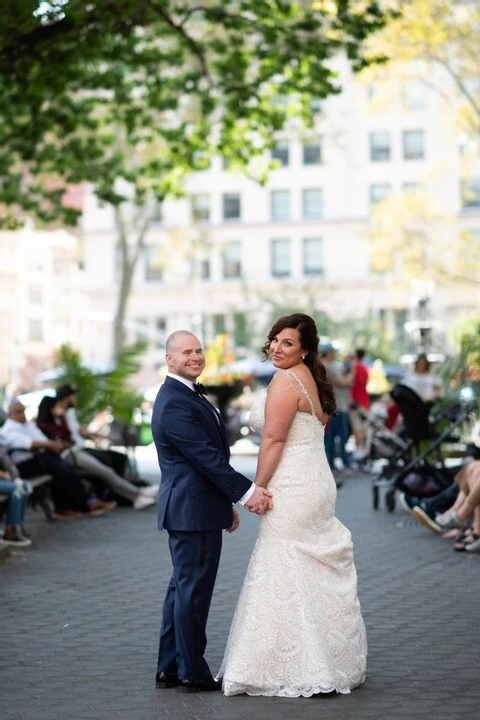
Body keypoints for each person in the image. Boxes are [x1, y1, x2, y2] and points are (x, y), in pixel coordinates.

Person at [218, 313, 367, 697]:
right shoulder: (312, 377)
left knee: (284, 563)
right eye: (275, 341)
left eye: (288, 343)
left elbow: (273, 440)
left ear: (304, 349)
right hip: (315, 481)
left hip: (293, 485)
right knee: (307, 566)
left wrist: (257, 487)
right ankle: (328, 661)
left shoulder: (286, 381)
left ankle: (296, 666)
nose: (278, 349)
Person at [151, 330, 273, 694]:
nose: (195, 356)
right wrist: (246, 492)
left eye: (198, 350)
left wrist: (224, 504)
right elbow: (204, 457)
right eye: (186, 352)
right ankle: (191, 670)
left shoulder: (186, 394)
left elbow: (208, 457)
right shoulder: (174, 401)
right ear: (169, 360)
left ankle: (170, 667)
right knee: (193, 592)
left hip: (199, 507)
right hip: (191, 510)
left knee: (182, 588)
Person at [36, 396, 158, 510]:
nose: (62, 409)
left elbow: (70, 435)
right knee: (105, 471)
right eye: (58, 406)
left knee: (109, 465)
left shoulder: (60, 420)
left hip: (74, 451)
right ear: (50, 408)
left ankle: (136, 494)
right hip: (68, 455)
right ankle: (137, 493)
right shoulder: (44, 426)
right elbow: (58, 444)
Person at [0, 400, 115, 519]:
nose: (22, 414)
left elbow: (42, 439)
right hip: (25, 464)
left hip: (40, 458)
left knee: (66, 468)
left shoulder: (27, 425)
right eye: (18, 412)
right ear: (10, 413)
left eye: (23, 411)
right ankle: (80, 504)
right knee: (59, 469)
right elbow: (29, 443)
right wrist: (50, 445)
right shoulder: (8, 430)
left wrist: (53, 444)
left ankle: (80, 504)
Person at [321, 343, 353, 473]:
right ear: (328, 352)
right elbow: (344, 382)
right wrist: (352, 372)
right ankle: (339, 463)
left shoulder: (332, 365)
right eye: (332, 351)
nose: (334, 353)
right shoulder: (326, 366)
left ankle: (333, 463)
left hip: (337, 405)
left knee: (333, 436)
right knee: (337, 436)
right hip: (335, 406)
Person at [0, 440, 32, 547]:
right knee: (17, 489)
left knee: (25, 486)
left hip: (6, 478)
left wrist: (14, 477)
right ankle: (11, 531)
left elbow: (8, 463)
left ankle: (15, 526)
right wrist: (3, 475)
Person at [349, 348, 370, 460]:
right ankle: (361, 448)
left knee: (356, 427)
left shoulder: (355, 368)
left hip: (355, 401)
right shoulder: (365, 369)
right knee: (362, 426)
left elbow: (351, 384)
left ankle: (359, 449)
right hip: (364, 401)